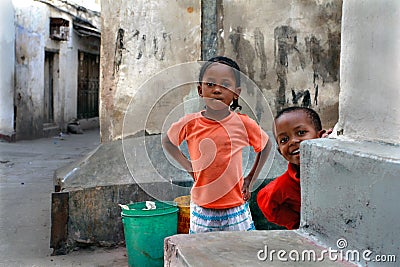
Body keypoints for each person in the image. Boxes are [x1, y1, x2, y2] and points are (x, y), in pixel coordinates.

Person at [162, 56, 272, 233]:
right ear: (200, 90)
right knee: (203, 255)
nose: (217, 90)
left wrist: (251, 178)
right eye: (210, 84)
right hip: (202, 207)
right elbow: (167, 141)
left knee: (238, 253)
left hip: (235, 207)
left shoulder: (243, 124)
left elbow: (266, 146)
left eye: (225, 85)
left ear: (236, 93)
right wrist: (189, 167)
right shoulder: (190, 123)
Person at [257, 106, 327, 230]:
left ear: (320, 136)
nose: (293, 141)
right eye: (284, 140)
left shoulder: (336, 167)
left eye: (301, 133)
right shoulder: (284, 185)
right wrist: (295, 223)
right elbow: (266, 203)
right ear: (280, 152)